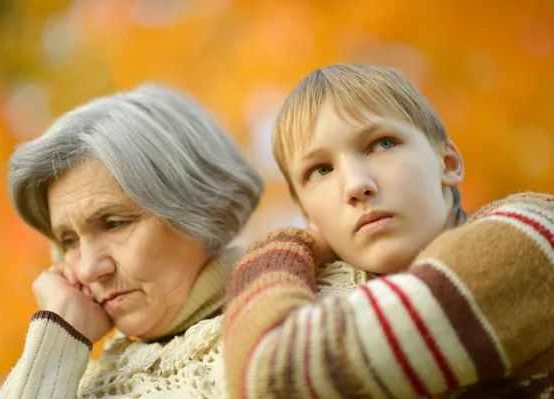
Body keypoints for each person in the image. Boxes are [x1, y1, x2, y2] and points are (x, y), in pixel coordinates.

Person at [222, 64, 554, 398]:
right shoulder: (346, 297)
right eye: (321, 170)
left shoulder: (530, 233)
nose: (356, 184)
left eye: (382, 144)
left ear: (448, 163)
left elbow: (267, 376)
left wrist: (287, 246)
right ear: (310, 215)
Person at [0, 83, 266, 398]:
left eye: (113, 223)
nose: (87, 270)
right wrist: (57, 337)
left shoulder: (305, 326)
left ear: (206, 207)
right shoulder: (82, 382)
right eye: (69, 241)